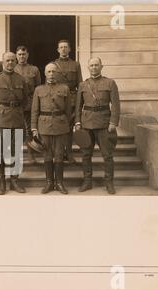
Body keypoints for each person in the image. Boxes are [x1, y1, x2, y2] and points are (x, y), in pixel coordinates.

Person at [0, 52, 29, 195]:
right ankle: (2, 182)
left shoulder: (21, 79)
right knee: (0, 153)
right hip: (0, 121)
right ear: (3, 62)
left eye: (12, 60)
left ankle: (14, 181)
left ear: (16, 62)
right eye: (7, 60)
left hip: (17, 120)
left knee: (17, 153)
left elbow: (25, 101)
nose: (10, 63)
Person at [74, 57, 121, 194]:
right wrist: (77, 122)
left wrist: (113, 122)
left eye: (96, 65)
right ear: (88, 68)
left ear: (101, 66)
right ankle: (87, 181)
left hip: (104, 124)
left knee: (107, 155)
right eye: (91, 65)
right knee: (85, 155)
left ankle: (109, 183)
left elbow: (116, 105)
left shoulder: (110, 83)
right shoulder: (83, 85)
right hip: (86, 124)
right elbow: (78, 106)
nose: (94, 67)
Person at [31, 63, 71, 194]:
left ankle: (60, 183)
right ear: (45, 73)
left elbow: (68, 110)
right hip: (44, 126)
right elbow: (35, 110)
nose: (52, 74)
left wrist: (67, 125)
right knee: (47, 155)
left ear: (57, 73)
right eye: (49, 71)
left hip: (60, 125)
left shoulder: (65, 88)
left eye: (54, 71)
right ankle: (49, 183)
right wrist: (34, 128)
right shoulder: (39, 89)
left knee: (59, 155)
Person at [53, 39, 83, 164]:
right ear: (58, 50)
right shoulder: (53, 65)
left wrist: (79, 101)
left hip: (71, 99)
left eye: (66, 47)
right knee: (58, 127)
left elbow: (80, 84)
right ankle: (58, 153)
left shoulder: (75, 64)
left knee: (69, 128)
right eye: (61, 47)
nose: (64, 49)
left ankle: (69, 153)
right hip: (57, 100)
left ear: (70, 49)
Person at [14, 45, 42, 164]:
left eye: (24, 54)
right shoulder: (12, 68)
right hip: (16, 104)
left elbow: (38, 88)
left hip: (30, 103)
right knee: (16, 130)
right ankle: (15, 156)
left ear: (27, 55)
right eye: (19, 54)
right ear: (16, 55)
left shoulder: (34, 69)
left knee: (29, 129)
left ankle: (31, 155)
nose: (22, 57)